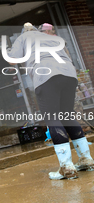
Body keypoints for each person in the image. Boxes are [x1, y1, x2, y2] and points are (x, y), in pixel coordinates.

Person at [7, 22, 94, 180]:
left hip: (46, 76)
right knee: (67, 116)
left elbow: (12, 60)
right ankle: (86, 159)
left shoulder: (23, 37)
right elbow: (66, 55)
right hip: (69, 74)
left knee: (53, 118)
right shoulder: (50, 37)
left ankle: (66, 166)